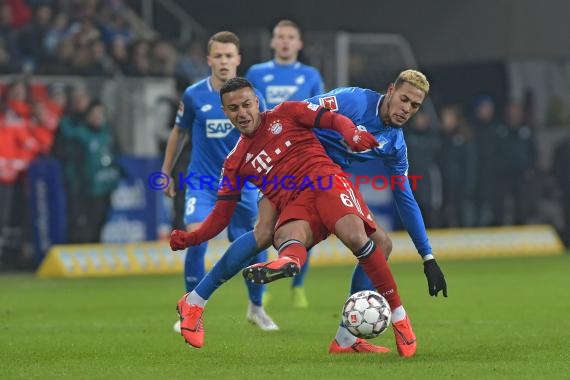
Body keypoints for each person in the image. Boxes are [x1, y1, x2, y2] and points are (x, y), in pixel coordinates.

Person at [168, 70, 448, 355]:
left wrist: (427, 255)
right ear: (390, 90)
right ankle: (198, 300)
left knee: (276, 234)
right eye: (404, 100)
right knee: (268, 233)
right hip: (290, 172)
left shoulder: (396, 144)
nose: (406, 109)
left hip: (320, 177)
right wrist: (348, 131)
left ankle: (201, 299)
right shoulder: (352, 101)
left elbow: (405, 196)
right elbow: (313, 114)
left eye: (414, 106)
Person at [159, 31, 278, 333]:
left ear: (238, 60)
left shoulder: (254, 97)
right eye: (219, 56)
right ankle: (191, 307)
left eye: (229, 56)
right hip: (203, 181)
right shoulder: (194, 94)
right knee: (195, 237)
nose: (224, 61)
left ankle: (256, 307)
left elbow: (264, 138)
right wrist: (166, 170)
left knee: (254, 243)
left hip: (244, 184)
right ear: (209, 59)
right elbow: (178, 132)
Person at [245, 19, 325, 307]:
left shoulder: (311, 75)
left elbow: (319, 113)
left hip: (300, 160)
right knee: (263, 225)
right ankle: (261, 289)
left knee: (307, 222)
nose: (285, 41)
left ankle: (298, 286)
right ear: (272, 42)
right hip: (268, 160)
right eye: (280, 36)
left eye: (291, 37)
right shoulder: (257, 73)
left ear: (299, 43)